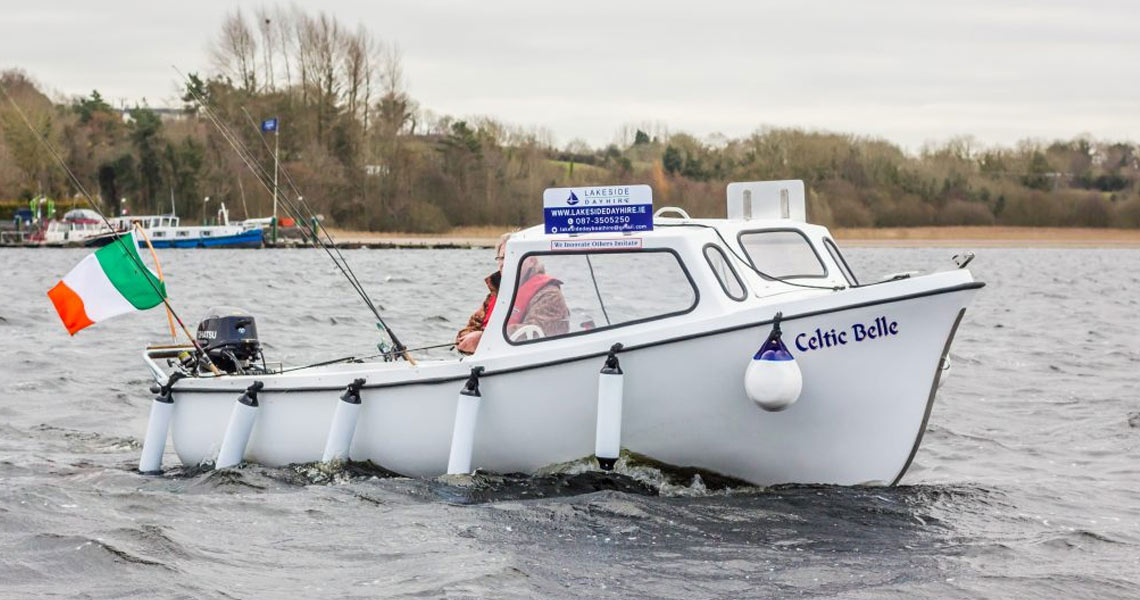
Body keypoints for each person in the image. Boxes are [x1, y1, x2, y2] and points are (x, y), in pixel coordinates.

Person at [456, 235, 570, 354]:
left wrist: (482, 339)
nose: (505, 263)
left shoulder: (549, 295)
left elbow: (537, 333)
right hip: (490, 364)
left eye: (511, 256)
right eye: (501, 258)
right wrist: (467, 340)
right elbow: (469, 329)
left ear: (531, 261)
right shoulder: (495, 295)